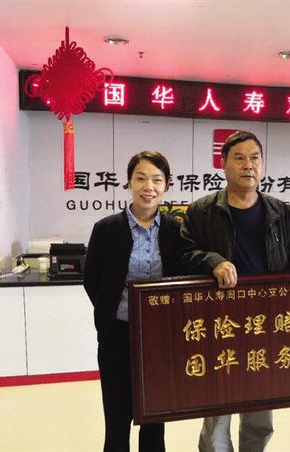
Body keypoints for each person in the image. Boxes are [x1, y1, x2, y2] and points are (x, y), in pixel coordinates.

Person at [178, 130, 290, 452]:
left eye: (255, 158)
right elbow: (183, 255)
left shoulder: (279, 211)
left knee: (261, 406)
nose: (248, 165)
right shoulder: (202, 211)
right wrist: (213, 261)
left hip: (267, 322)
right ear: (223, 165)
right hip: (220, 322)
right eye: (239, 158)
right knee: (218, 409)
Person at [83, 151, 181, 452]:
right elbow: (92, 280)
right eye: (141, 178)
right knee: (117, 417)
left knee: (154, 416)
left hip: (160, 339)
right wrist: (111, 312)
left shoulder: (176, 230)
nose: (148, 187)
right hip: (117, 334)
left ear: (166, 185)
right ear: (129, 182)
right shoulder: (106, 229)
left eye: (157, 180)